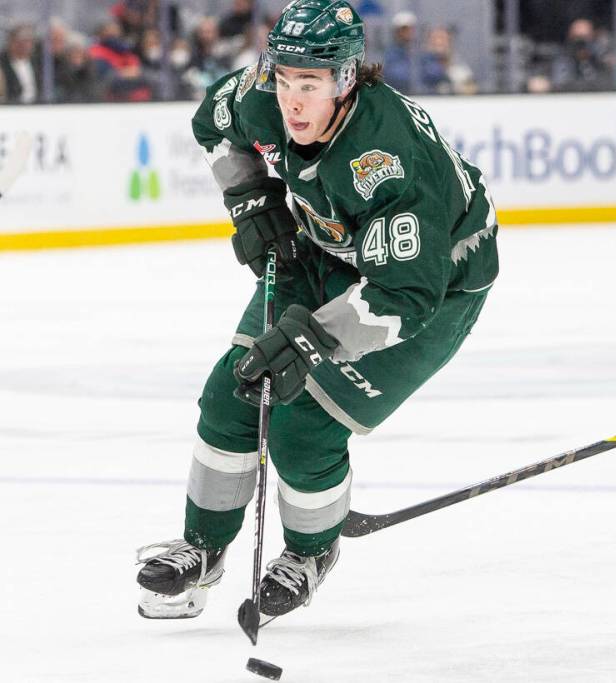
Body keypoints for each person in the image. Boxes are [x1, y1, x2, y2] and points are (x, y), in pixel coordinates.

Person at [135, 0, 498, 620]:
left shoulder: (385, 160)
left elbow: (403, 295)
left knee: (305, 425)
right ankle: (203, 549)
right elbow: (213, 123)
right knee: (233, 390)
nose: (292, 102)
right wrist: (251, 199)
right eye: (284, 80)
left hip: (434, 289)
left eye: (310, 84)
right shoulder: (262, 96)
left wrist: (310, 341)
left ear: (347, 78)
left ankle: (310, 552)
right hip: (326, 249)